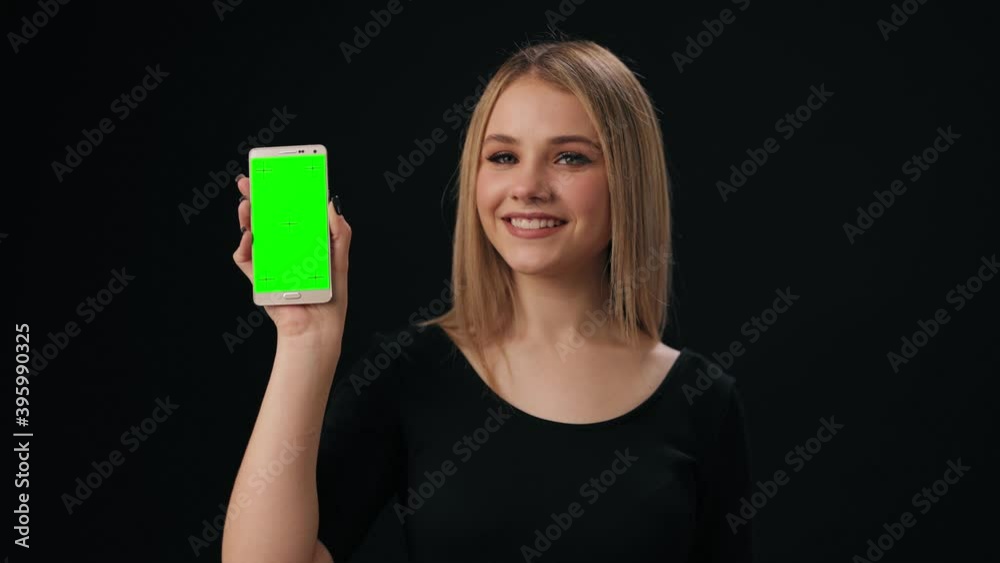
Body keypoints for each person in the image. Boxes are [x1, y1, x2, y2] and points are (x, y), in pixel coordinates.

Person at [222, 39, 752, 563]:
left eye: (570, 157)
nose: (527, 186)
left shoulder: (703, 401)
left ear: (627, 179)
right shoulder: (410, 374)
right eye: (503, 156)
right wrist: (304, 341)